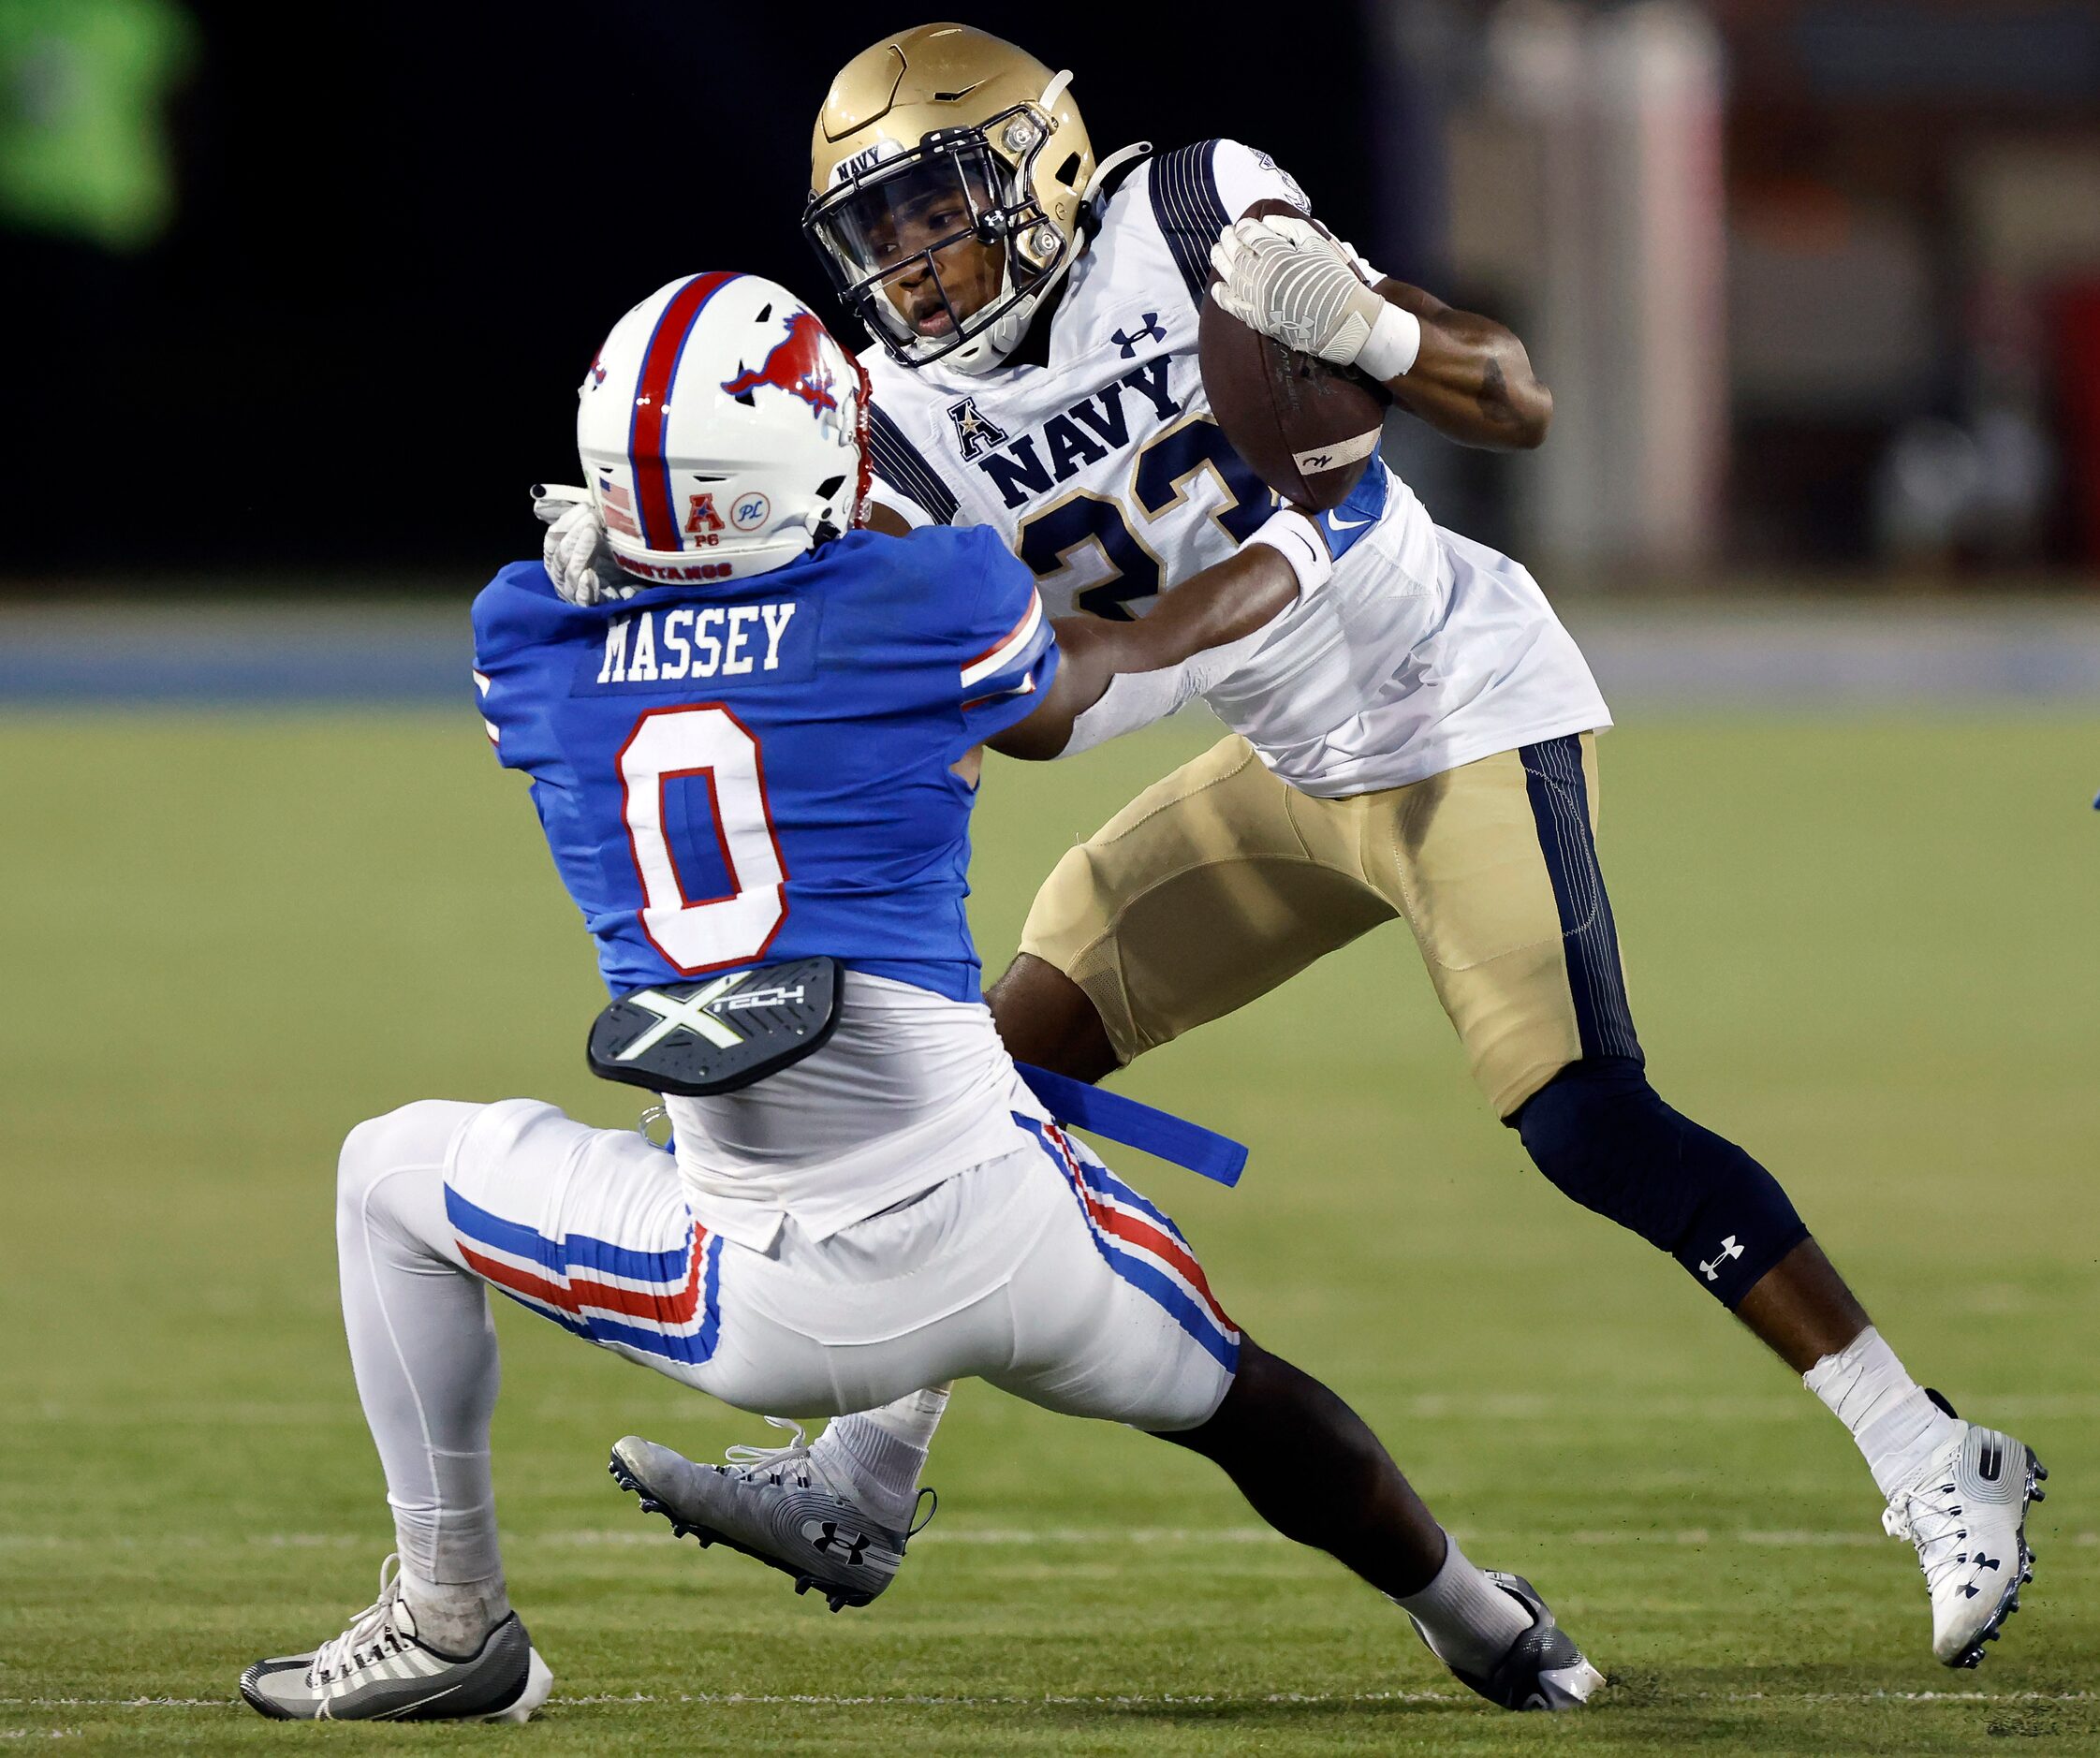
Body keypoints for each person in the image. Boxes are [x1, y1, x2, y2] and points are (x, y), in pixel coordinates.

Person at [536, 24, 2044, 1671]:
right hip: (1282, 742)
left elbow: (1505, 405)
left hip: (1451, 701)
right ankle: (865, 1482)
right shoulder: (897, 414)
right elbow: (901, 650)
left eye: (933, 208)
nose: (909, 261)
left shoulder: (1190, 219)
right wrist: (660, 558)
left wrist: (1373, 325)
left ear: (1038, 170)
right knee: (992, 1066)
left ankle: (1931, 1448)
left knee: (1581, 1111)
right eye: (874, 232)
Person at [236, 273, 1606, 1723]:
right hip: (1013, 1231)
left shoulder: (529, 646)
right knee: (1242, 1399)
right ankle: (1492, 1628)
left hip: (753, 1292)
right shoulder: (933, 598)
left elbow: (633, 637)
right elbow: (1048, 694)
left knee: (388, 1171)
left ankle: (452, 1618)